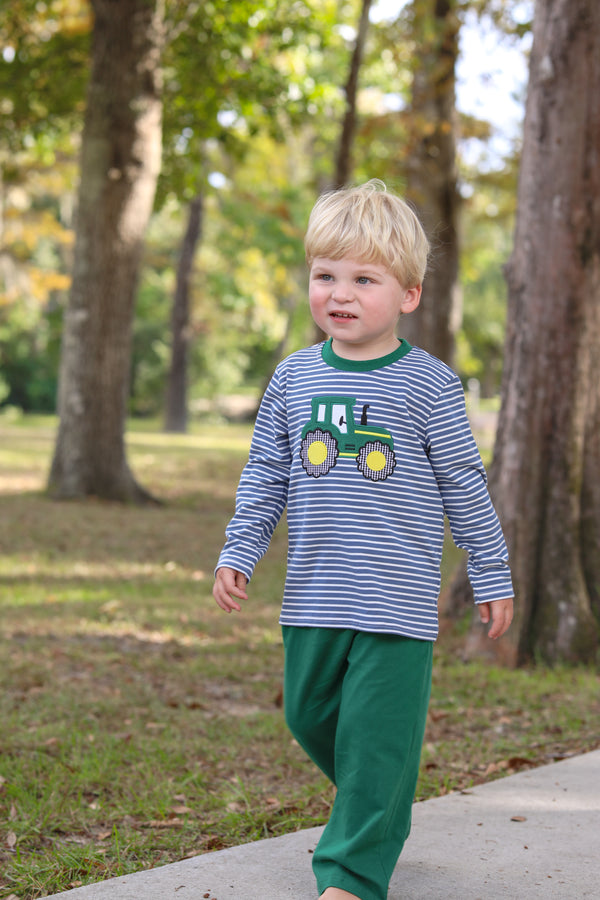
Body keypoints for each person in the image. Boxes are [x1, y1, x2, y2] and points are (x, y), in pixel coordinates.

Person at [213, 179, 514, 900]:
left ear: (408, 294)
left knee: (376, 740)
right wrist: (238, 549)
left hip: (396, 603)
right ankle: (379, 803)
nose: (339, 294)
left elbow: (465, 485)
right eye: (325, 275)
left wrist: (491, 569)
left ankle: (349, 874)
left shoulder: (430, 386)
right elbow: (264, 475)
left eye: (363, 279)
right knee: (308, 714)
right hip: (314, 593)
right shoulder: (291, 378)